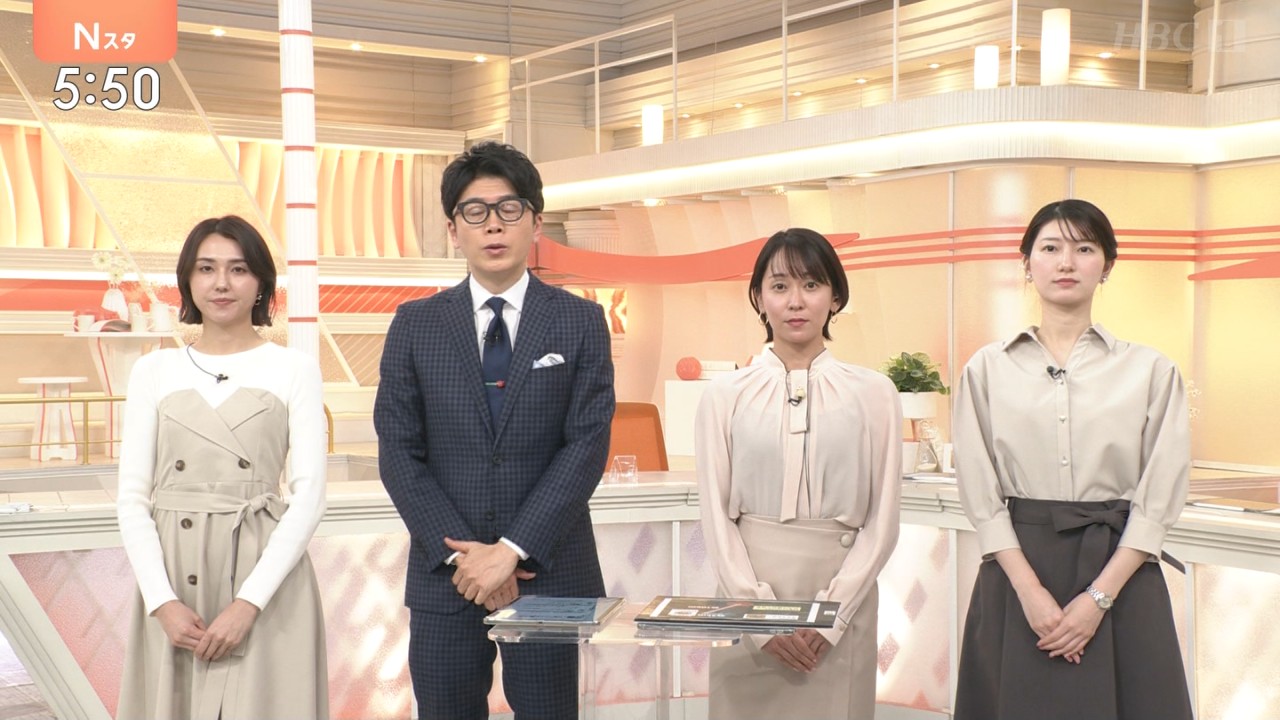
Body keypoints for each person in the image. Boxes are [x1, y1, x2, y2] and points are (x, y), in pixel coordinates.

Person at [374, 141, 615, 719]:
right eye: (474, 211)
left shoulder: (580, 320)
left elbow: (586, 446)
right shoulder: (415, 324)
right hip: (447, 576)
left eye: (509, 208)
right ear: (452, 229)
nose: (493, 225)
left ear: (536, 221)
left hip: (547, 570)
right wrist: (469, 560)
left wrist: (510, 550)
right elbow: (399, 452)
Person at [952, 199, 1193, 719]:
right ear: (1027, 264)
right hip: (1018, 571)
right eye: (1050, 248)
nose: (1066, 262)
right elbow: (980, 495)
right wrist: (1031, 593)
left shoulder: (1151, 370)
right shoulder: (986, 369)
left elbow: (1157, 502)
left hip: (1122, 573)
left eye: (1084, 249)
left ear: (1106, 266)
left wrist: (1097, 599)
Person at [116, 215, 329, 719]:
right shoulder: (154, 370)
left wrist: (248, 602)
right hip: (175, 578)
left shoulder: (294, 368)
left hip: (265, 578)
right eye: (207, 268)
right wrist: (161, 602)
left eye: (239, 269)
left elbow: (309, 497)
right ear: (188, 279)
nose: (222, 283)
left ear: (261, 283)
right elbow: (132, 499)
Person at [694, 228, 902, 720]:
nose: (796, 301)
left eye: (811, 285)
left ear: (835, 298)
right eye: (780, 286)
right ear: (759, 298)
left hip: (842, 601)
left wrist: (831, 617)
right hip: (746, 600)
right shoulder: (724, 395)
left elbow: (882, 522)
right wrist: (758, 618)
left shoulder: (875, 393)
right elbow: (716, 519)